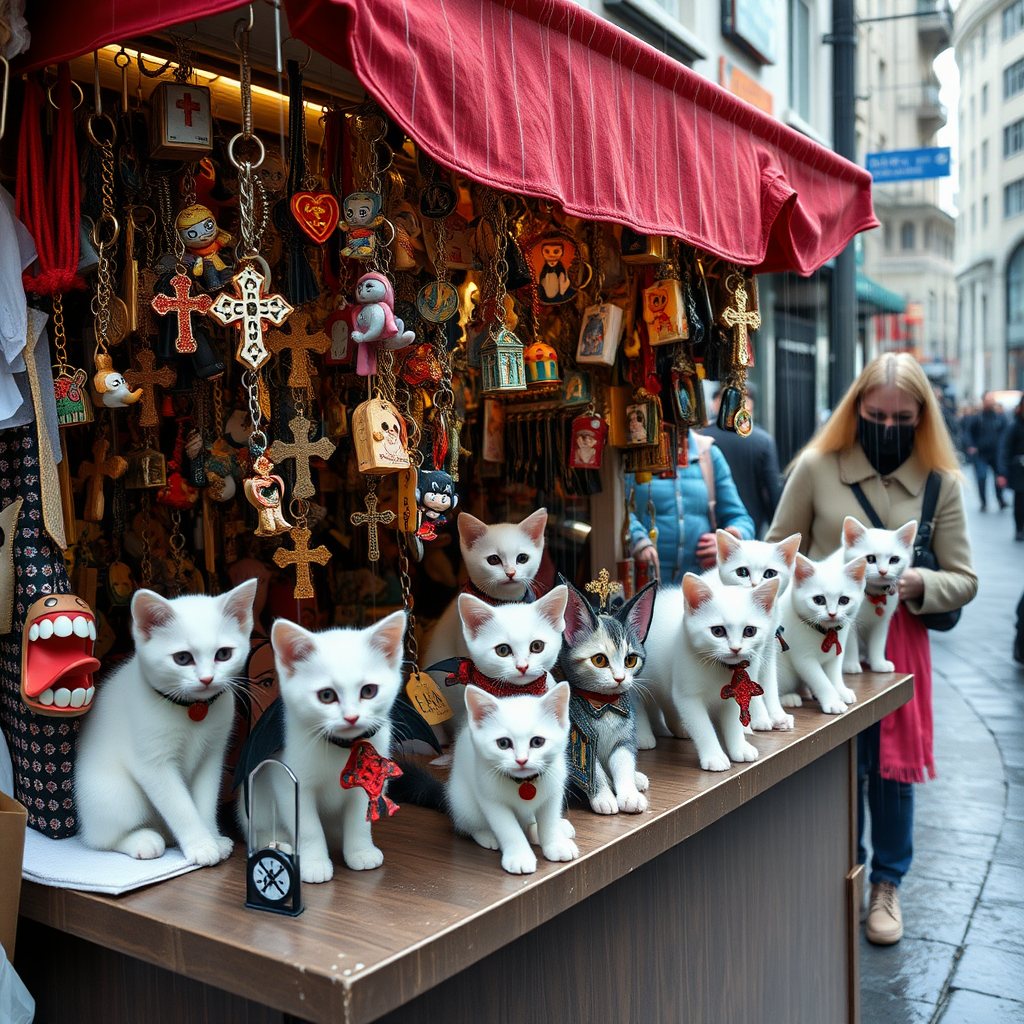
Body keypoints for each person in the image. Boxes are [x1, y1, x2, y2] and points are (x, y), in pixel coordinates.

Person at [766, 353, 977, 946]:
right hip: (819, 636)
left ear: (921, 416)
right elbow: (778, 553)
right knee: (831, 764)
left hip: (898, 638)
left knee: (889, 770)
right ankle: (835, 877)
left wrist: (917, 583)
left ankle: (886, 883)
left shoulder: (942, 484)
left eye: (903, 417)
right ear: (857, 408)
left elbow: (963, 577)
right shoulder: (815, 467)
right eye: (877, 414)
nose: (888, 426)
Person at [628, 430, 754, 582]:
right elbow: (617, 512)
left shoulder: (708, 453)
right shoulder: (629, 451)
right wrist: (638, 539)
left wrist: (726, 543)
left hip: (699, 587)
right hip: (643, 584)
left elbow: (741, 519)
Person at [701, 384, 783, 538]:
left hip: (708, 529)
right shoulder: (763, 440)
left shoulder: (701, 438)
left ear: (717, 403)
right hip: (749, 528)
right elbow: (773, 492)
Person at [965, 392, 1009, 510]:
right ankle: (983, 501)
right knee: (981, 477)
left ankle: (1000, 499)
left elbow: (1005, 435)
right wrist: (971, 446)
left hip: (996, 453)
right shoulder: (977, 418)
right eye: (988, 400)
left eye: (992, 400)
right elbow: (969, 433)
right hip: (981, 453)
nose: (991, 402)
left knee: (999, 477)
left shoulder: (1000, 418)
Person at [997, 395, 1024, 541]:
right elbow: (1005, 449)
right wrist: (1003, 472)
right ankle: (1019, 528)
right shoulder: (1014, 426)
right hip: (1019, 469)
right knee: (1020, 499)